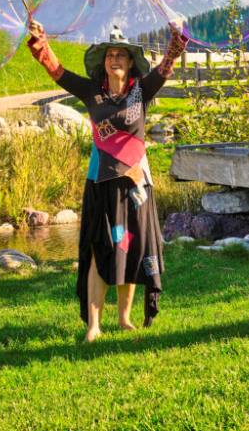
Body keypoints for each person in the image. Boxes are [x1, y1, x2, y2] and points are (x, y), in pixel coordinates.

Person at [28, 18, 188, 341]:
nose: (115, 59)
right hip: (101, 182)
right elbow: (57, 71)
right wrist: (41, 43)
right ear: (104, 62)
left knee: (128, 247)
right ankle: (94, 326)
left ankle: (125, 318)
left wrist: (177, 36)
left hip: (136, 185)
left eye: (121, 55)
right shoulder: (91, 92)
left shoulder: (142, 91)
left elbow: (168, 64)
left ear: (131, 63)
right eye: (110, 55)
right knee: (100, 251)